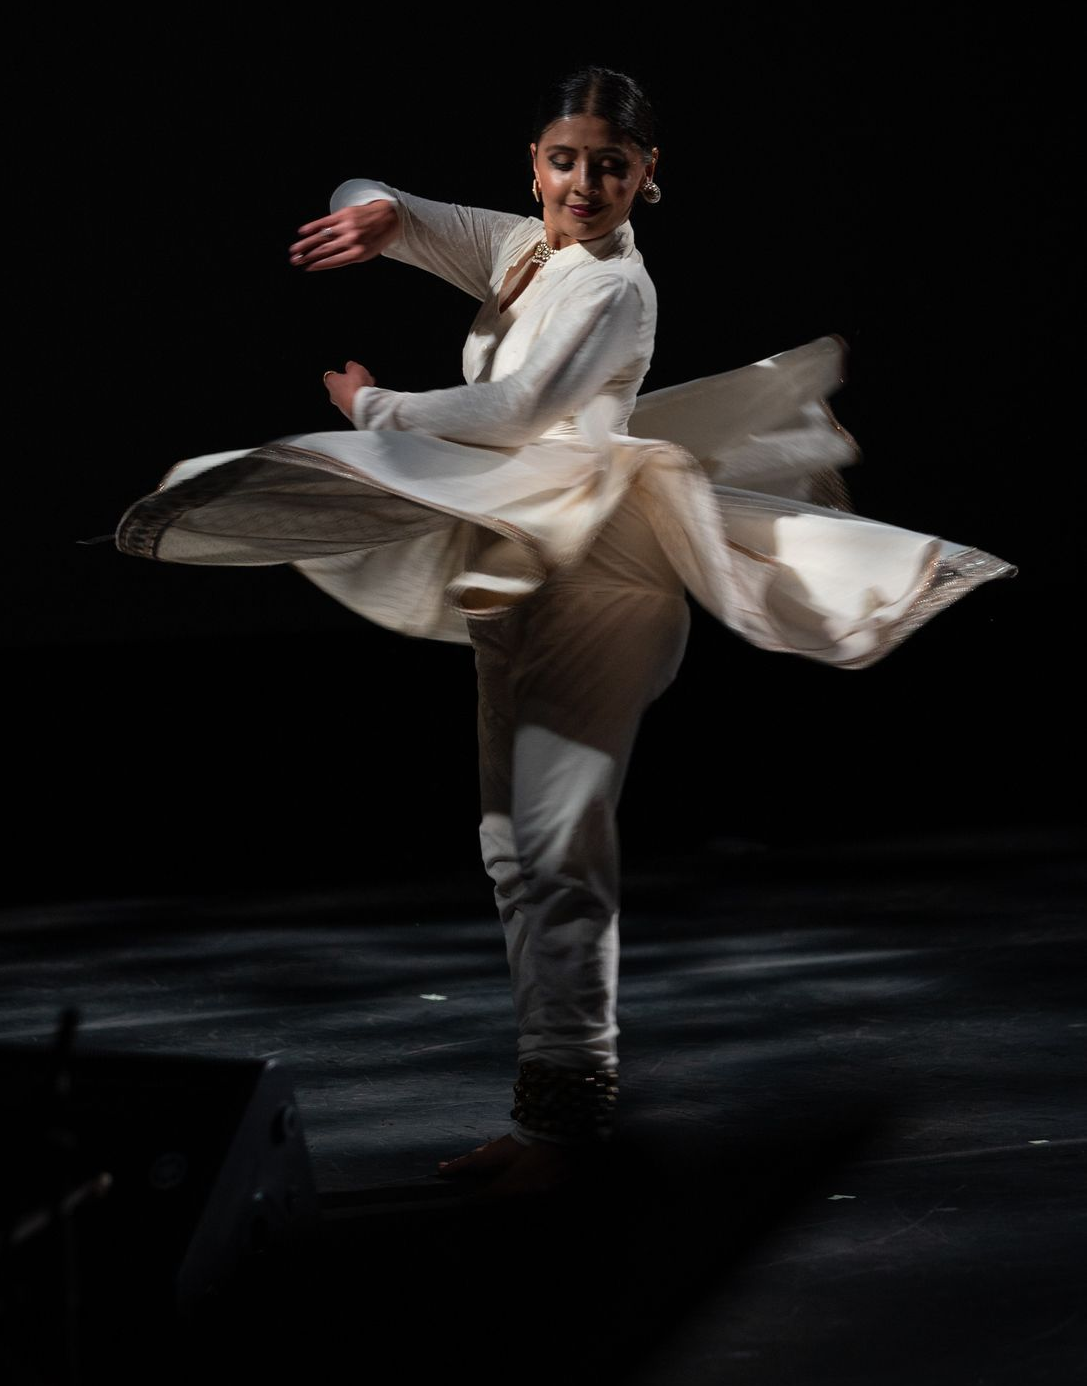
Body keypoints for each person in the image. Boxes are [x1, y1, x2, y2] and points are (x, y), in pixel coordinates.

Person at [114, 67, 1015, 1200]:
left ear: (647, 176)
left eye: (610, 165)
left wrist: (374, 409)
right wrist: (376, 210)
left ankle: (569, 1123)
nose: (583, 183)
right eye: (563, 160)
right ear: (534, 165)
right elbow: (401, 213)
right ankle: (549, 1111)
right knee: (509, 849)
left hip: (602, 580)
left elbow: (518, 410)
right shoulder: (523, 248)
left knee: (554, 845)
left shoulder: (613, 287)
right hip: (516, 571)